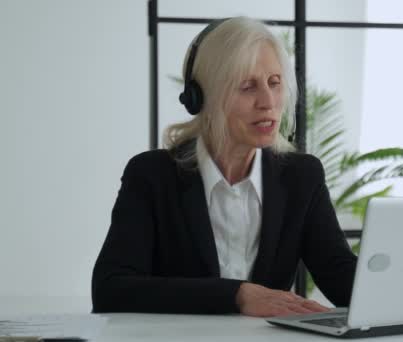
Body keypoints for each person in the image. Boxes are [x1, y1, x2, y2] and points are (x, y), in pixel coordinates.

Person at [91, 17, 357, 317]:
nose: (268, 102)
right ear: (201, 97)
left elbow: (341, 279)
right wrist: (236, 295)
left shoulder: (301, 176)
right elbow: (111, 290)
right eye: (247, 86)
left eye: (275, 82)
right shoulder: (152, 175)